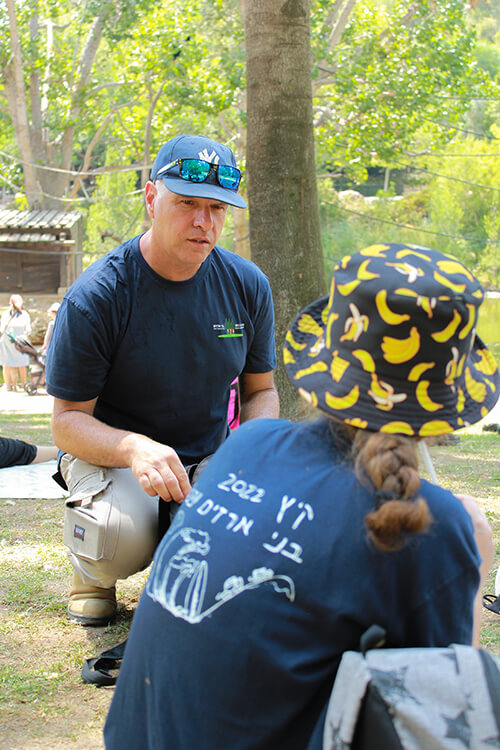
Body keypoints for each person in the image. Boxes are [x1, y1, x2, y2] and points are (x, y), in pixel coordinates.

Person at [104, 242, 497, 750]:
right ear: (446, 398)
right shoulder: (428, 524)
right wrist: (472, 553)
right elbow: (441, 717)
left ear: (325, 368)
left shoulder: (245, 442)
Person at [45, 134, 279, 626]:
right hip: (115, 461)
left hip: (207, 457)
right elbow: (66, 423)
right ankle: (91, 574)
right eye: (187, 203)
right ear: (152, 198)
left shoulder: (247, 284)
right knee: (117, 537)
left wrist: (242, 451)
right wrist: (135, 449)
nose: (203, 221)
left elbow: (262, 392)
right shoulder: (99, 294)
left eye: (217, 208)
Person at [0, 294, 32, 391]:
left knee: (7, 363)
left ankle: (8, 385)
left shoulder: (6, 314)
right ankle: (24, 384)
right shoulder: (25, 314)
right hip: (20, 338)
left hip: (8, 338)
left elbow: (2, 328)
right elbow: (28, 331)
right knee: (21, 362)